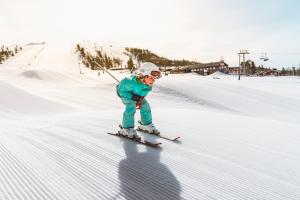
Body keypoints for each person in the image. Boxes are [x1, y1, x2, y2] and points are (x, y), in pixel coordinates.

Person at [116, 62, 161, 138]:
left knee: (145, 106)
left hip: (138, 97)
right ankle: (127, 129)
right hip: (126, 95)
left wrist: (140, 100)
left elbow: (143, 94)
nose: (153, 81)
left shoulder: (148, 85)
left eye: (154, 78)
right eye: (151, 78)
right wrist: (132, 97)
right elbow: (120, 91)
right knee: (131, 107)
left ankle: (145, 124)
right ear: (143, 76)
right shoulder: (130, 82)